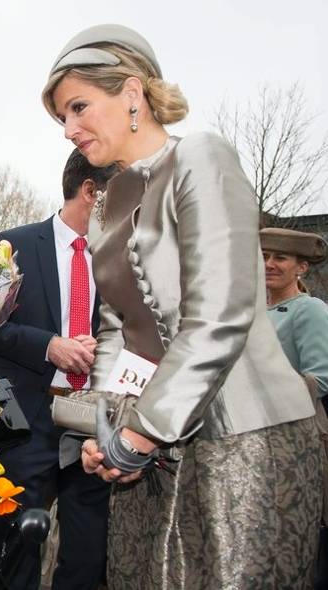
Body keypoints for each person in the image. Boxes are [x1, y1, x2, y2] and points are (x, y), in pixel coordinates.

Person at [41, 24, 321, 588]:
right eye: (61, 118)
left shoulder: (203, 157)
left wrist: (141, 432)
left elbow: (221, 315)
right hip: (151, 452)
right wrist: (103, 428)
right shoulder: (103, 210)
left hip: (246, 438)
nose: (69, 129)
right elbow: (118, 331)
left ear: (131, 93)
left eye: (78, 107)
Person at [0, 148, 115, 590]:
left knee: (86, 553)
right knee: (15, 545)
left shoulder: (123, 257)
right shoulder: (13, 244)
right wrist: (49, 346)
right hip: (27, 420)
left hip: (93, 423)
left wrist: (109, 348)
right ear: (91, 192)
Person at [261, 227, 328, 401]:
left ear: (302, 268)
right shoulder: (253, 310)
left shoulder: (309, 309)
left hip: (287, 423)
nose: (268, 264)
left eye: (280, 258)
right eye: (264, 257)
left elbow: (320, 380)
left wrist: (256, 398)